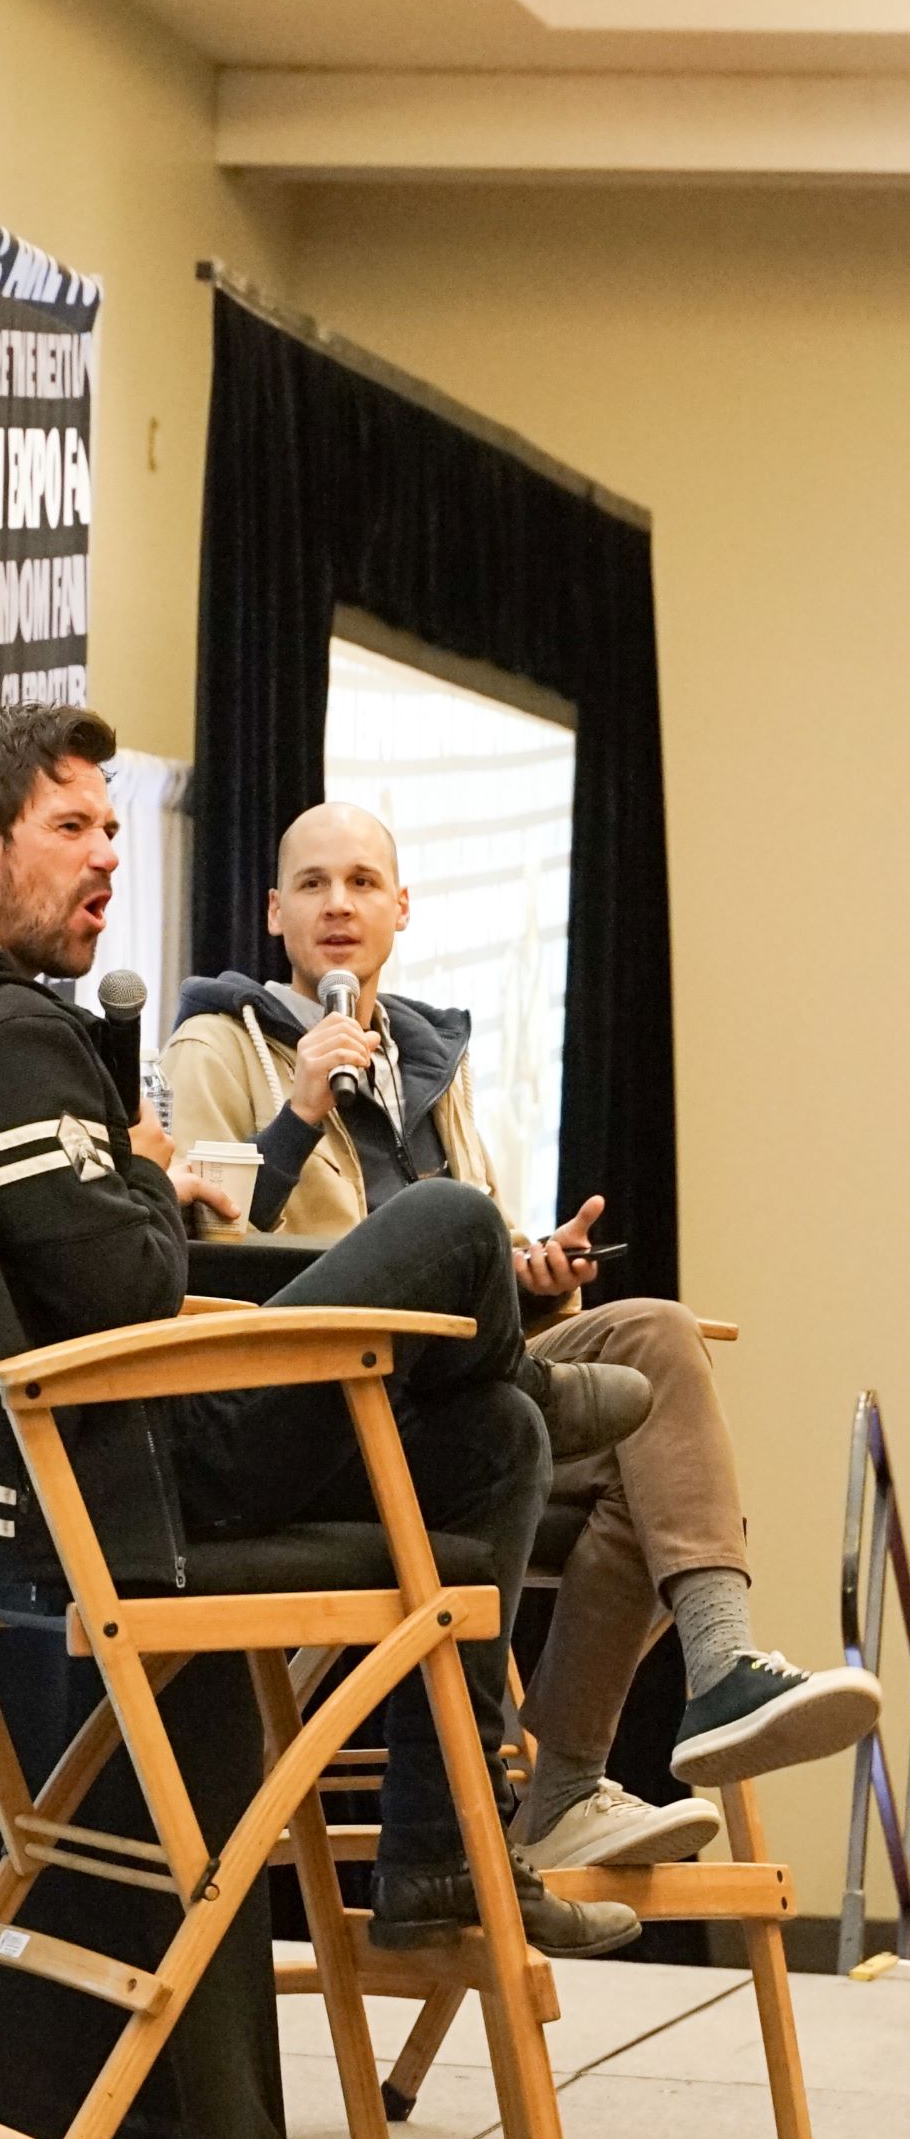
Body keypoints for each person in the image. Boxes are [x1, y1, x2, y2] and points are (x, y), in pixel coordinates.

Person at [0, 702, 650, 1954]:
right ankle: (518, 1359)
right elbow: (138, 1288)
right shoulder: (2, 1042)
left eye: (111, 826)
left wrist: (136, 1185)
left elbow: (99, 1268)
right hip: (122, 1488)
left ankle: (431, 1864)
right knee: (460, 1227)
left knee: (498, 1445)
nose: (107, 855)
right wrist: (147, 1169)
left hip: (8, 1485)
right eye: (73, 826)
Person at [162, 800, 881, 1870]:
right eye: (312, 885)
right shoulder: (217, 1043)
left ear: (400, 907)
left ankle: (681, 1695)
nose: (338, 905)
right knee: (641, 1423)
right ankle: (572, 1782)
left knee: (654, 1359)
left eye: (362, 882)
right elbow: (192, 1240)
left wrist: (538, 1281)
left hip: (465, 1397)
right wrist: (298, 1111)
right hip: (316, 1412)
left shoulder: (427, 1066)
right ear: (274, 912)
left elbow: (478, 1246)